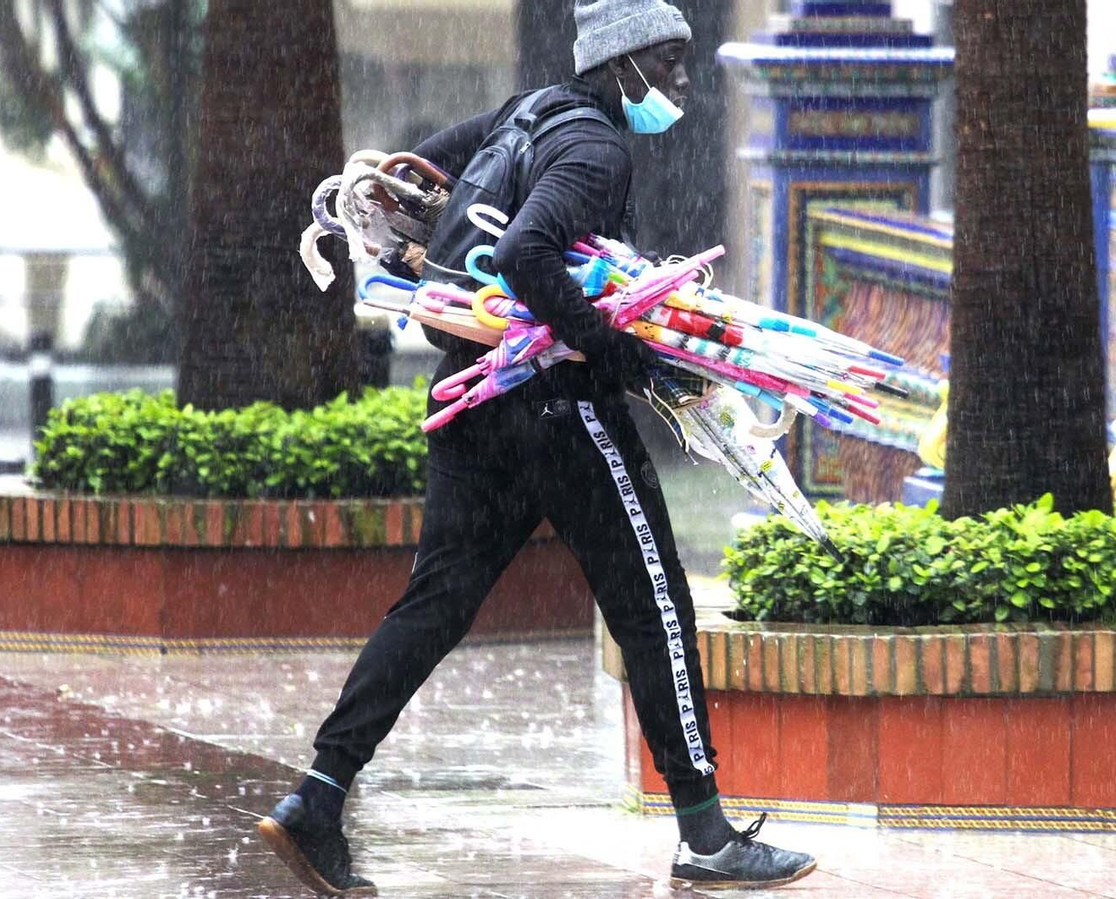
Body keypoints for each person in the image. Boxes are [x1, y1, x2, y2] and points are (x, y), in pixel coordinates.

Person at [257, 2, 817, 895]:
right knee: (655, 607)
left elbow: (426, 178)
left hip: (470, 400)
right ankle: (706, 833)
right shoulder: (596, 146)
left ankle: (317, 799)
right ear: (624, 64)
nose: (678, 86)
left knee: (433, 605)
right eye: (668, 67)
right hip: (559, 408)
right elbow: (524, 250)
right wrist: (612, 345)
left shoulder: (527, 110)